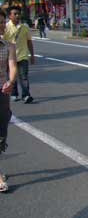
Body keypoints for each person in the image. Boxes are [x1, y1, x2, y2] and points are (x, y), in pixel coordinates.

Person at [0, 10, 18, 192]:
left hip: (2, 92)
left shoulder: (9, 46)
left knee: (2, 133)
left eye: (2, 22)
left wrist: (11, 81)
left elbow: (12, 67)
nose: (2, 25)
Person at [3, 6, 34, 103]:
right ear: (10, 16)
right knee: (12, 77)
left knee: (24, 77)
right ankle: (14, 93)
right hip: (10, 57)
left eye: (18, 14)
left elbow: (29, 42)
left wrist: (32, 55)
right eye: (14, 14)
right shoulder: (6, 27)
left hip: (23, 56)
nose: (17, 15)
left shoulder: (24, 27)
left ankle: (26, 95)